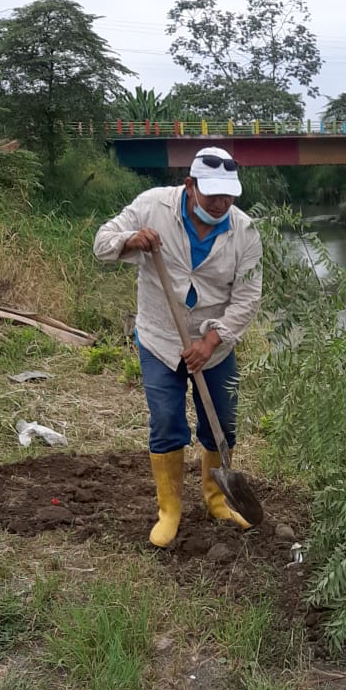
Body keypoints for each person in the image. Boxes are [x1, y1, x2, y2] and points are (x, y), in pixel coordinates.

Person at [93, 147, 262, 547]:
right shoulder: (153, 206)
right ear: (190, 186)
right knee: (167, 421)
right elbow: (101, 244)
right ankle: (169, 510)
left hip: (214, 346)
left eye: (229, 195)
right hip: (160, 338)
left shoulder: (245, 232)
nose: (221, 204)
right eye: (212, 195)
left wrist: (210, 341)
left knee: (223, 423)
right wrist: (130, 239)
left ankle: (217, 500)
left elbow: (247, 297)